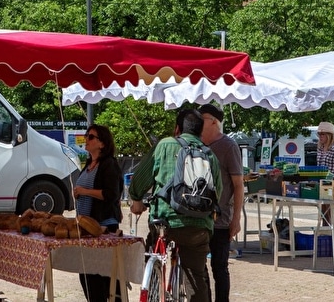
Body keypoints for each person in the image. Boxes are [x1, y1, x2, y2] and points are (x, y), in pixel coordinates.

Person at [129, 108, 221, 302]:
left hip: (166, 221)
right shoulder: (209, 155)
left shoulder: (164, 145)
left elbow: (140, 179)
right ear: (200, 132)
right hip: (199, 226)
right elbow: (217, 192)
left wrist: (136, 199)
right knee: (196, 275)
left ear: (177, 128)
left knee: (154, 248)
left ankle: (153, 281)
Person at [74, 124, 124, 302]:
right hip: (87, 226)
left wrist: (84, 191)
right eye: (86, 135)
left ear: (102, 143)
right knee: (87, 274)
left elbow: (112, 194)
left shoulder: (109, 164)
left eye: (91, 137)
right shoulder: (89, 164)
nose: (86, 139)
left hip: (104, 226)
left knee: (102, 274)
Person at [197, 104, 242, 302]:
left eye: (203, 118)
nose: (199, 122)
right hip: (199, 218)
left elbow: (238, 185)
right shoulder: (196, 144)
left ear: (214, 121)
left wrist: (236, 219)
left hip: (221, 218)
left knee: (220, 267)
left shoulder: (228, 146)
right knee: (199, 267)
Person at [316, 121, 334, 231]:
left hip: (332, 184)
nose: (320, 137)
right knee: (324, 213)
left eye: (323, 134)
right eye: (319, 134)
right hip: (322, 183)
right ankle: (326, 237)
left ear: (329, 135)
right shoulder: (320, 148)